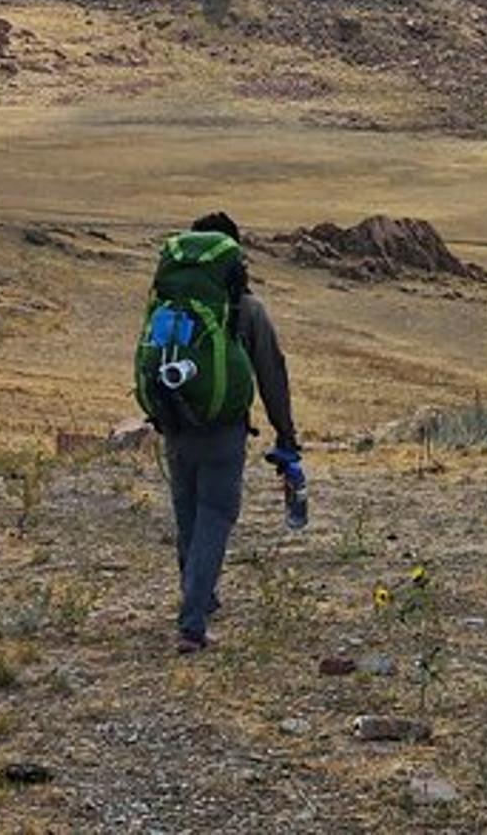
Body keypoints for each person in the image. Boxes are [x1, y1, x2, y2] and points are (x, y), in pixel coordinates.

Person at [161, 211, 303, 654]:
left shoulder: (173, 303)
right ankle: (192, 623)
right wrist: (286, 433)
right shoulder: (247, 308)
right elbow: (271, 373)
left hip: (175, 422)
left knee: (188, 511)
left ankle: (201, 594)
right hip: (223, 431)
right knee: (216, 515)